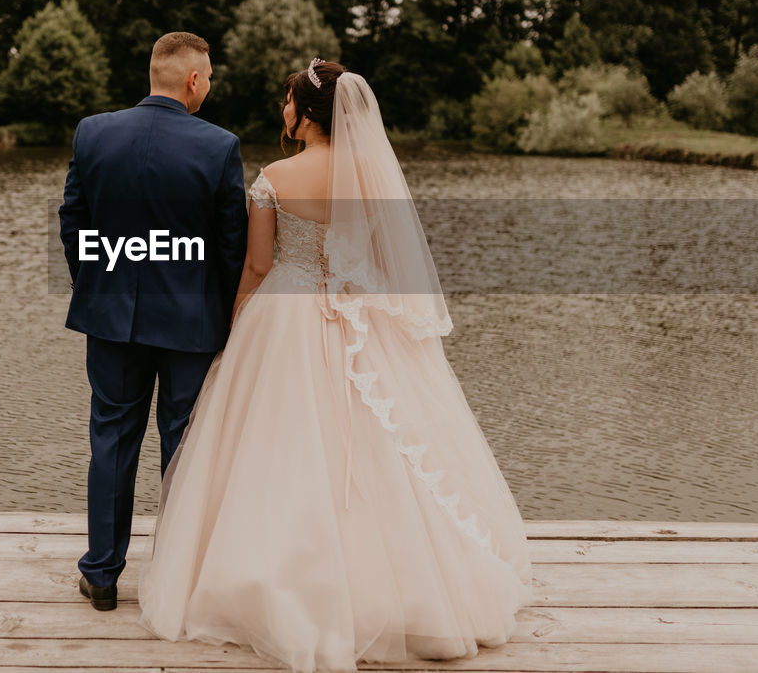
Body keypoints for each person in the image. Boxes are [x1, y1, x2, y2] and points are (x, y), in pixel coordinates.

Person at [137, 60, 534, 672]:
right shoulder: (369, 176)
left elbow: (259, 266)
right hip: (355, 316)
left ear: (305, 114)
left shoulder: (274, 176)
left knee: (279, 445)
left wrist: (236, 326)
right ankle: (407, 581)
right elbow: (380, 257)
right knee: (384, 447)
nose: (281, 110)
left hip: (285, 316)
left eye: (286, 101)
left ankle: (272, 575)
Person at [58, 31, 248, 611]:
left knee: (111, 439)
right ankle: (175, 573)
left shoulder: (94, 132)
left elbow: (73, 223)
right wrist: (223, 318)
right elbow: (231, 247)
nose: (209, 86)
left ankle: (104, 574)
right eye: (209, 76)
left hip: (111, 318)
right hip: (191, 324)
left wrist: (101, 282)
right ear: (193, 80)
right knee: (184, 445)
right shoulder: (218, 147)